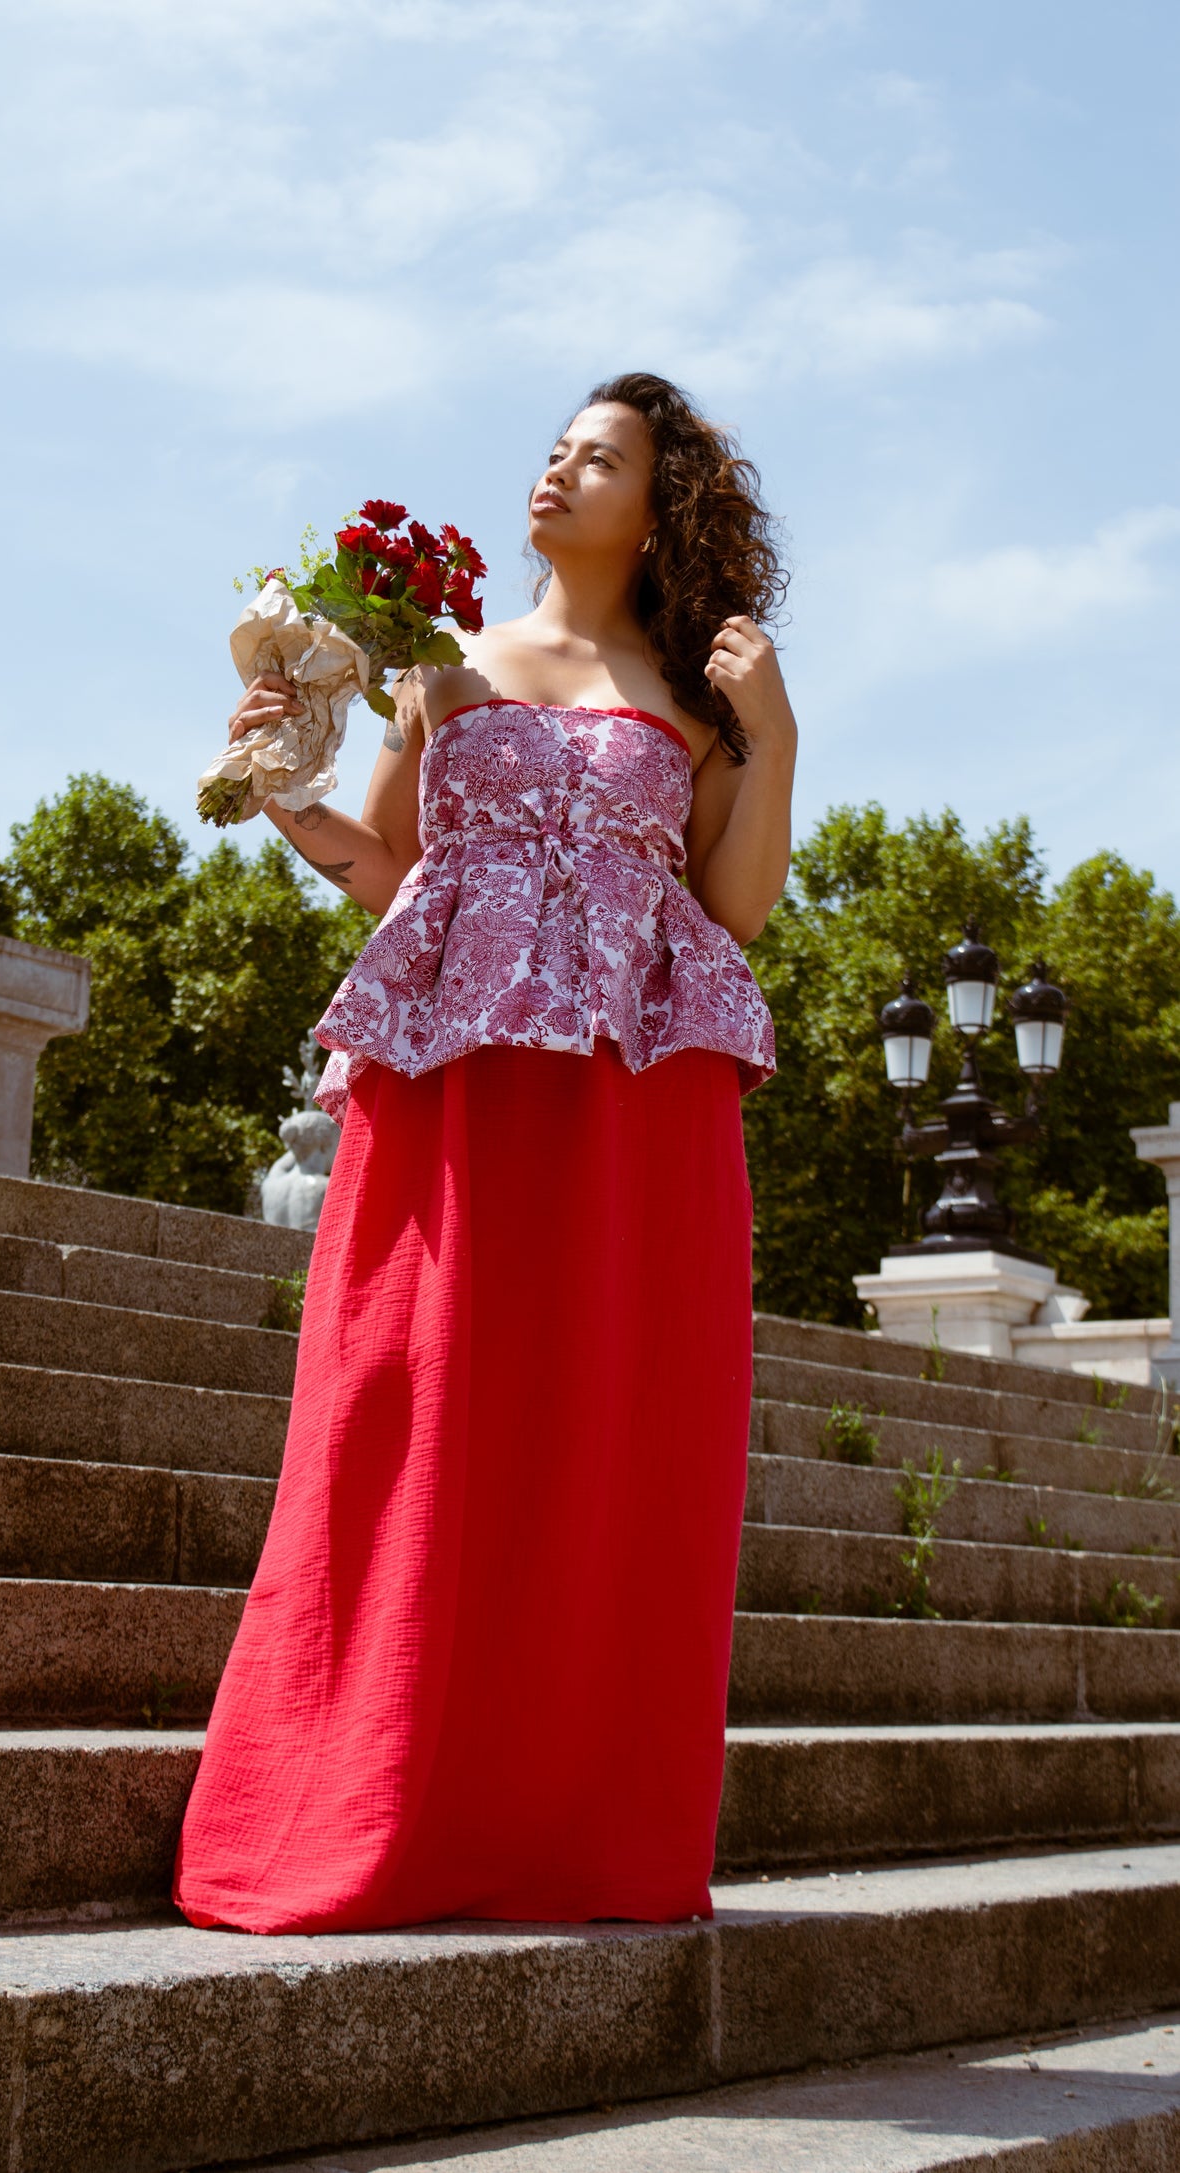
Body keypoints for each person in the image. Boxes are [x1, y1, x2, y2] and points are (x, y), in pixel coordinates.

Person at [173, 371, 796, 1934]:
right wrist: (281, 791)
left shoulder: (697, 696)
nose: (559, 470)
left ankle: (575, 1831)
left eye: (600, 458)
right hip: (450, 1076)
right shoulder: (438, 665)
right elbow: (392, 870)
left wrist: (771, 733)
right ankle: (370, 1802)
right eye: (554, 447)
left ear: (658, 507)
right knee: (411, 1408)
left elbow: (730, 915)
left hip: (638, 1097)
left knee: (606, 1432)